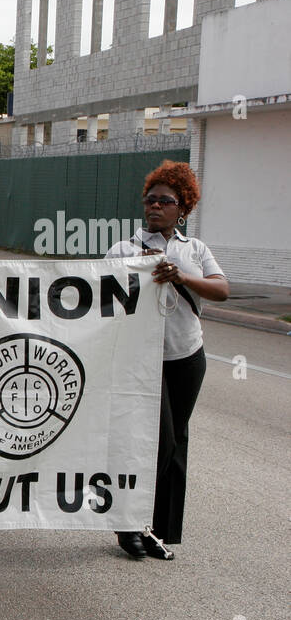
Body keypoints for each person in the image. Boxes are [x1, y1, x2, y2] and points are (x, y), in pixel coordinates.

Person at [103, 161, 227, 560]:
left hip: (187, 356)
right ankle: (127, 524)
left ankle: (159, 530)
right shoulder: (123, 249)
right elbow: (102, 300)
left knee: (177, 444)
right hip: (141, 363)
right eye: (150, 199)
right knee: (156, 441)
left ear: (183, 207)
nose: (155, 206)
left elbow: (221, 290)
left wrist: (183, 278)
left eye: (166, 201)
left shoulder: (195, 250)